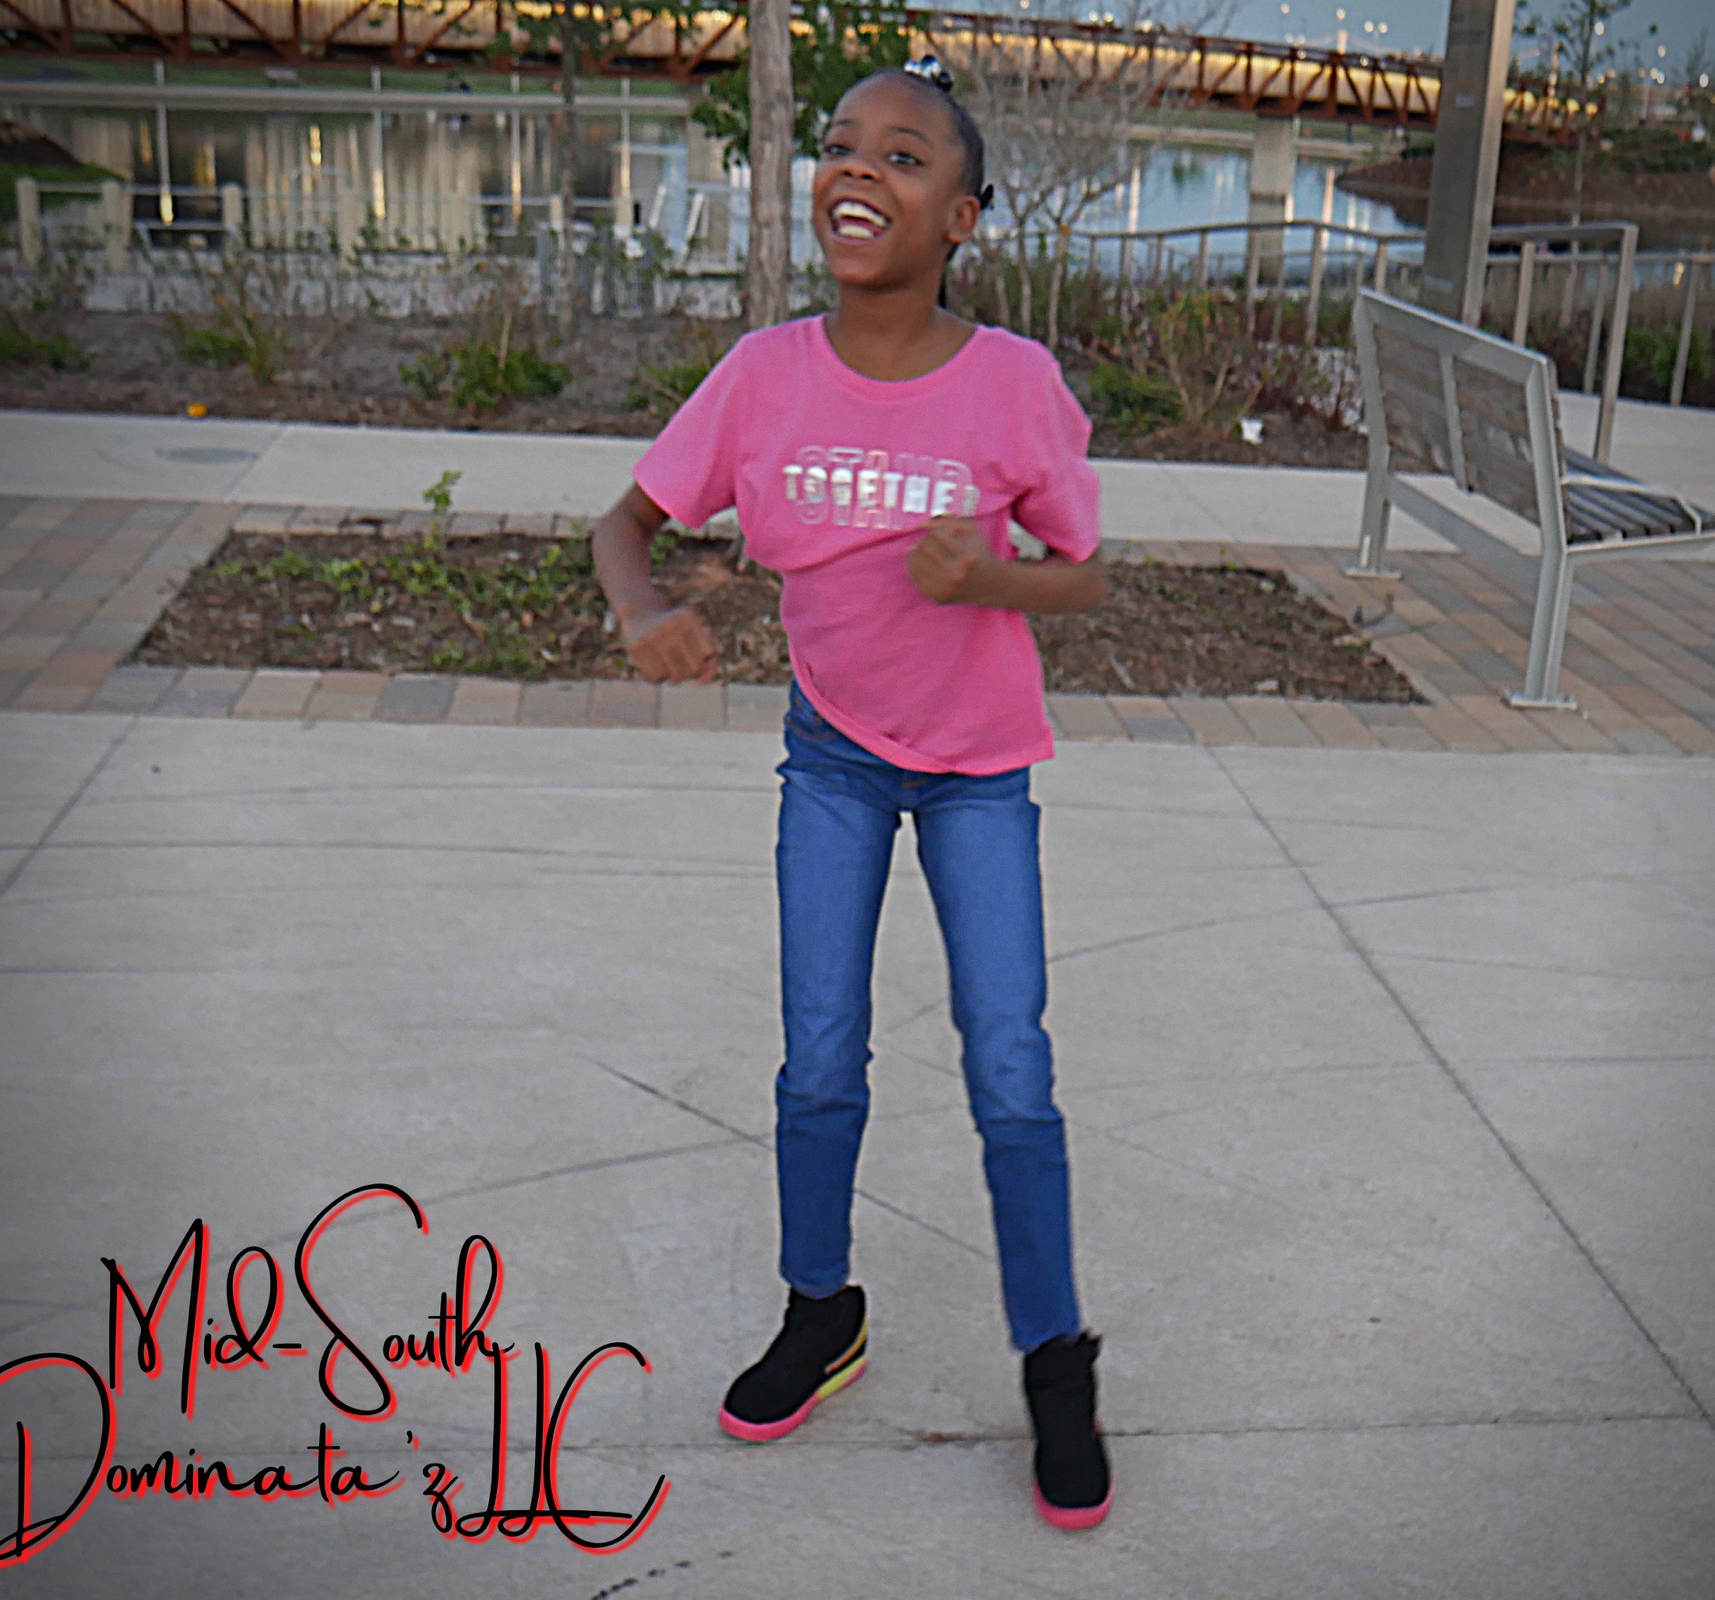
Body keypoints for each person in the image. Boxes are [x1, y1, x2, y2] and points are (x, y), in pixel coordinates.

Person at [588, 57, 1112, 1531]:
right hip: (832, 761)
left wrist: (991, 577)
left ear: (965, 216)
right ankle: (821, 1310)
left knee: (1010, 1067)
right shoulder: (764, 375)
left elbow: (1086, 575)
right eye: (839, 145)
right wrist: (642, 613)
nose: (860, 169)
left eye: (904, 154)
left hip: (977, 776)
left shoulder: (1014, 382)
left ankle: (1055, 1363)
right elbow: (624, 525)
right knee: (819, 1057)